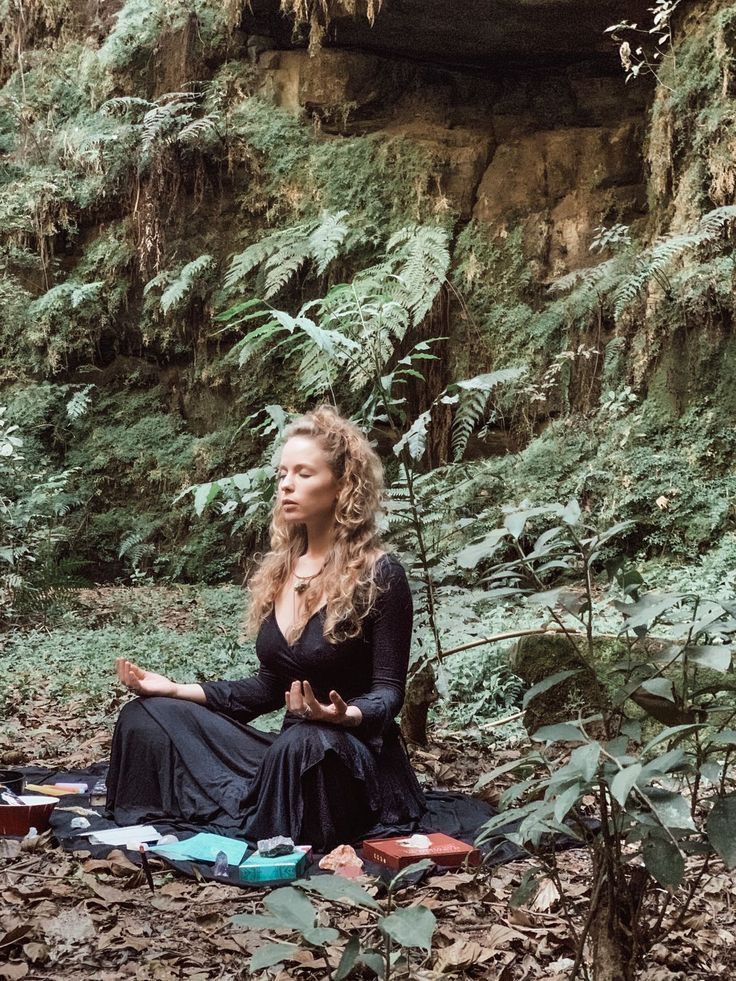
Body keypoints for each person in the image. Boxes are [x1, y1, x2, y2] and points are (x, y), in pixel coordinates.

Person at [106, 405, 426, 851]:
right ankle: (249, 807)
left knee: (307, 745)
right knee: (148, 716)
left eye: (303, 473)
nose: (287, 484)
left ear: (342, 486)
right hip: (290, 751)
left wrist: (344, 715)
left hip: (350, 759)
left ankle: (274, 818)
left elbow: (390, 692)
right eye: (282, 474)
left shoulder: (381, 573)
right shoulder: (281, 570)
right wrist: (173, 689)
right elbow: (267, 687)